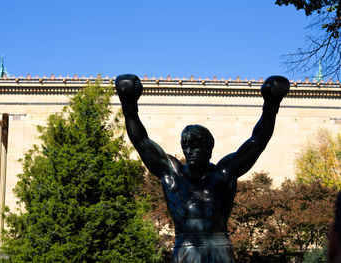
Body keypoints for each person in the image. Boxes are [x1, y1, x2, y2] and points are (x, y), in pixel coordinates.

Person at [115, 74, 290, 263]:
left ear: (209, 147)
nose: (188, 151)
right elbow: (141, 142)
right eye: (185, 146)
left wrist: (271, 107)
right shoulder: (174, 175)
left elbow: (257, 142)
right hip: (186, 247)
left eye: (194, 145)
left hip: (220, 247)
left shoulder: (224, 173)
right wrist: (129, 107)